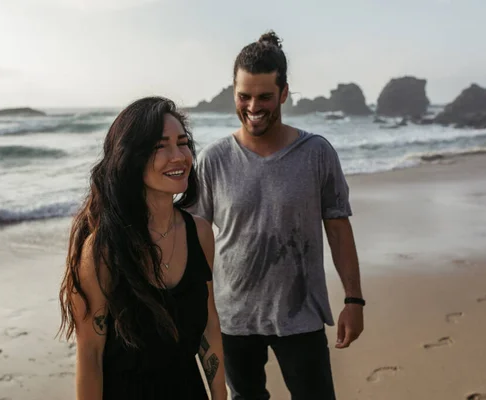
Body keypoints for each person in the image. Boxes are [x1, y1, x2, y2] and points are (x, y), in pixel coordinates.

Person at [190, 31, 365, 400]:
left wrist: (354, 300)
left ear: (284, 93)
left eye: (265, 96)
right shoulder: (212, 160)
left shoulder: (316, 153)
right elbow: (193, 239)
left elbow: (337, 227)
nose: (253, 106)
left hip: (300, 314)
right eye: (244, 96)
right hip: (233, 318)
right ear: (234, 92)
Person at [58, 97, 227, 400]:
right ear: (131, 157)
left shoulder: (200, 232)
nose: (178, 156)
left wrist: (219, 395)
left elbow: (208, 324)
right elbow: (90, 357)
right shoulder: (103, 250)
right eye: (160, 146)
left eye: (183, 142)